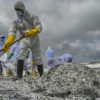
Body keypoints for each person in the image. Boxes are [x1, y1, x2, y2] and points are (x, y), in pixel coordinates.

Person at [2, 1, 43, 80]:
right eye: (16, 10)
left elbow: (39, 27)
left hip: (34, 39)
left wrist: (32, 32)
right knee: (20, 54)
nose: (18, 12)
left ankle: (41, 75)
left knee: (37, 57)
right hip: (23, 39)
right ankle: (19, 76)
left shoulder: (32, 15)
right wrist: (8, 42)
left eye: (19, 10)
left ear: (23, 9)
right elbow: (12, 32)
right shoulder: (16, 20)